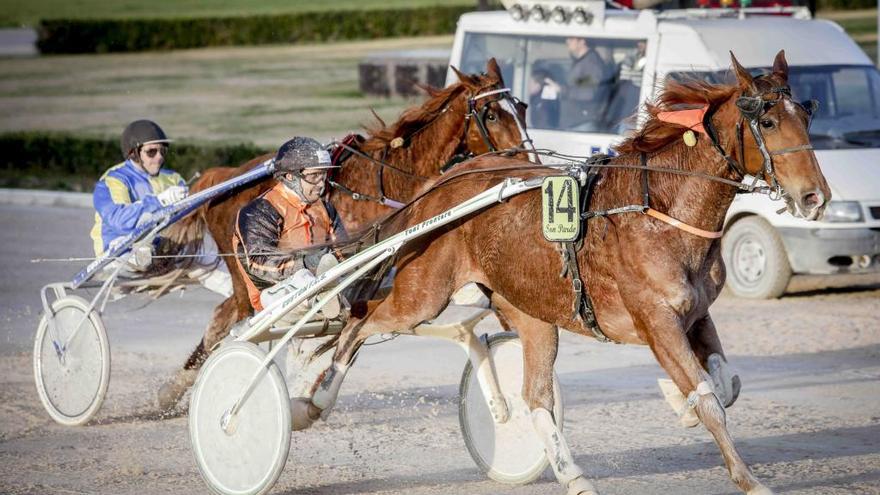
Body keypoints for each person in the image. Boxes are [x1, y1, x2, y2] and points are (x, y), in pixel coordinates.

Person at [89, 119, 231, 295]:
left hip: (163, 251)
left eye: (162, 151)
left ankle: (247, 305)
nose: (159, 157)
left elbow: (189, 221)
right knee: (145, 250)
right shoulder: (114, 180)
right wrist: (159, 201)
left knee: (206, 248)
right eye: (151, 152)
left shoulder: (173, 179)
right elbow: (119, 220)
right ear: (133, 153)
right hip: (120, 252)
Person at [545, 37, 615, 130]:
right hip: (577, 122)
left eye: (571, 39)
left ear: (582, 41)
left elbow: (588, 93)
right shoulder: (583, 62)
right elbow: (579, 86)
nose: (567, 41)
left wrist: (561, 90)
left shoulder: (591, 64)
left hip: (582, 123)